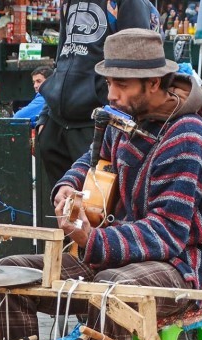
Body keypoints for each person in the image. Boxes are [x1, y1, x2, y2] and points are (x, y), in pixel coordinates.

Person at [0, 29, 202, 340]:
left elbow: (166, 233)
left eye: (122, 85)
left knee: (108, 290)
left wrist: (93, 239)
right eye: (108, 84)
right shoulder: (126, 117)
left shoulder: (187, 137)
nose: (112, 94)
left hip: (181, 266)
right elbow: (91, 161)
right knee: (9, 274)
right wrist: (67, 187)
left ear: (153, 83)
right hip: (117, 254)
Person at [35, 0, 152, 196]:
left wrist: (114, 119)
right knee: (67, 213)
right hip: (58, 123)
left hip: (96, 123)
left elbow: (137, 65)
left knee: (97, 210)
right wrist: (46, 115)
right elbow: (61, 61)